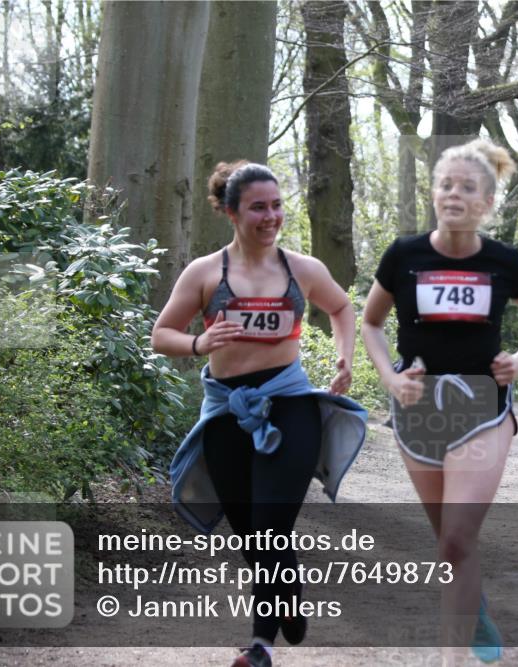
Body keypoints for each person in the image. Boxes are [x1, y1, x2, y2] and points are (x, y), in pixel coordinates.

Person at [152, 161, 367, 667]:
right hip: (227, 411)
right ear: (230, 212)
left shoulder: (303, 269)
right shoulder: (205, 274)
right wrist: (200, 341)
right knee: (250, 532)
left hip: (289, 408)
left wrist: (344, 358)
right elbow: (162, 335)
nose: (271, 216)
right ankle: (288, 598)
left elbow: (341, 308)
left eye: (276, 205)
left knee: (271, 525)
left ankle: (260, 646)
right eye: (258, 207)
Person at [361, 139, 518, 664]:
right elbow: (371, 322)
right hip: (419, 407)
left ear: (486, 202)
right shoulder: (404, 255)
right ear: (434, 193)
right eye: (445, 185)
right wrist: (390, 378)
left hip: (482, 407)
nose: (453, 194)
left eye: (467, 187)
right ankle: (475, 607)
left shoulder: (503, 261)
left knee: (455, 540)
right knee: (451, 544)